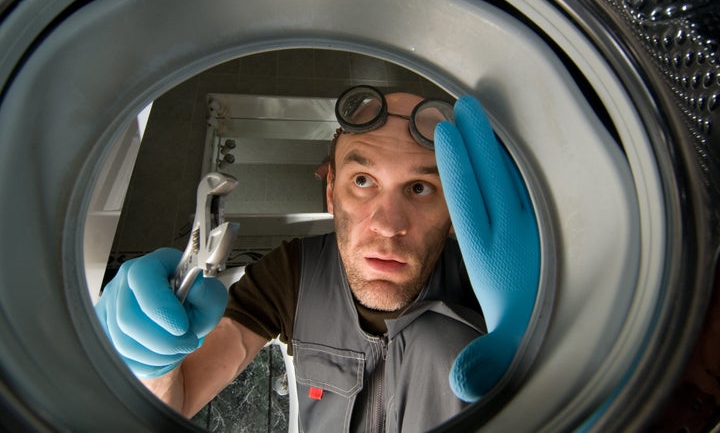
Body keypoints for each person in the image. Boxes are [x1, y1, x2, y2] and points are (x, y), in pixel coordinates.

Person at [95, 85, 540, 432]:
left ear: (454, 213)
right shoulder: (294, 272)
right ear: (331, 193)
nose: (388, 224)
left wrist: (547, 342)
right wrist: (154, 360)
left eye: (421, 188)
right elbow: (183, 393)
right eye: (363, 180)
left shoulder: (498, 286)